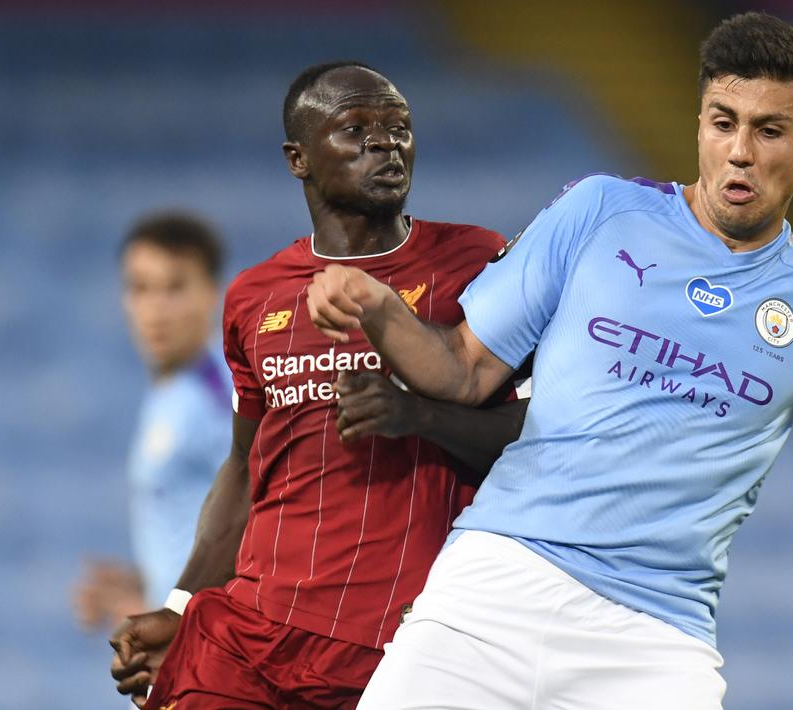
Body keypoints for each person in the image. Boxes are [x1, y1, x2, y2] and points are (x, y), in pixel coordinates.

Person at [307, 13, 793, 710]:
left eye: (768, 130)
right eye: (722, 122)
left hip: (655, 639)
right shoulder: (598, 211)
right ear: (698, 123)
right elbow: (463, 371)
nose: (739, 152)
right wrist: (380, 308)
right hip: (494, 586)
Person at [108, 61, 529, 709]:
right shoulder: (255, 295)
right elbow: (245, 471)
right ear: (298, 159)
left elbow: (541, 438)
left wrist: (419, 415)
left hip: (399, 650)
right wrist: (182, 605)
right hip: (250, 634)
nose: (385, 142)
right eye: (355, 128)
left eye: (399, 127)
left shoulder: (475, 262)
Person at [73, 214, 231, 632]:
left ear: (212, 293)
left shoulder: (224, 398)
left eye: (175, 287)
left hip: (206, 650)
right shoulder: (172, 391)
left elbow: (266, 529)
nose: (156, 309)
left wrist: (174, 613)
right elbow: (203, 531)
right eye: (140, 288)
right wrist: (144, 585)